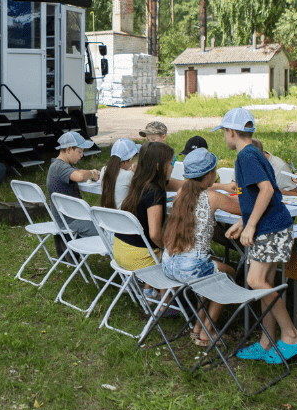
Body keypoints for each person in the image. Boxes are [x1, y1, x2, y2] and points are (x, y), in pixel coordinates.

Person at [216, 108, 297, 364]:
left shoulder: (245, 156)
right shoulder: (255, 152)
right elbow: (257, 196)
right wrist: (243, 220)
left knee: (256, 280)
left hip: (270, 228)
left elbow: (267, 190)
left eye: (224, 133)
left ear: (231, 132)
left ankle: (291, 336)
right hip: (273, 226)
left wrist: (250, 226)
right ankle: (267, 341)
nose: (224, 138)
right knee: (265, 282)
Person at [161, 149, 240, 346]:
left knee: (210, 271)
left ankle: (198, 327)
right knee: (229, 274)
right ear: (210, 174)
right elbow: (242, 209)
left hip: (169, 263)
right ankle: (208, 330)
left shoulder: (181, 193)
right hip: (190, 267)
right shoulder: (212, 196)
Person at [116, 142, 173, 270]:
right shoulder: (155, 191)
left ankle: (149, 289)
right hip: (139, 257)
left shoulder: (138, 181)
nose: (172, 167)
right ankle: (158, 287)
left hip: (119, 251)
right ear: (159, 167)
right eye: (170, 163)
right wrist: (169, 248)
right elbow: (155, 235)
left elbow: (174, 183)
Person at [46, 132, 101, 259]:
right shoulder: (60, 167)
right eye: (80, 151)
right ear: (69, 149)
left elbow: (77, 173)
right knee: (111, 230)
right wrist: (92, 174)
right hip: (70, 222)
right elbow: (80, 176)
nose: (82, 156)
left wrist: (89, 172)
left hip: (67, 218)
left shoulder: (58, 166)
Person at [99, 138, 138, 209]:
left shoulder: (104, 170)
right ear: (131, 158)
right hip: (125, 217)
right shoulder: (129, 175)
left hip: (107, 216)